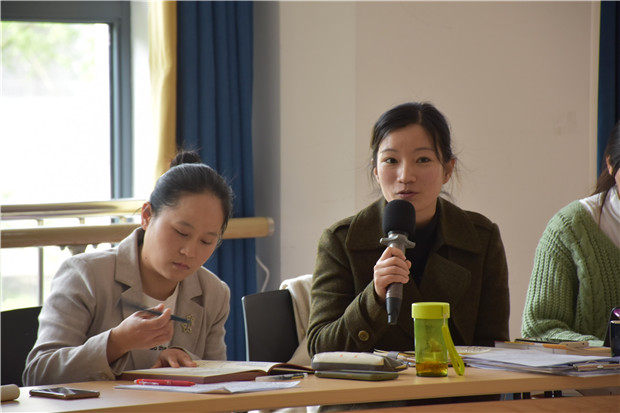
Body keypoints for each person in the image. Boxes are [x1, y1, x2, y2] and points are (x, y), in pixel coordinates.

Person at [307, 102, 510, 356]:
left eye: (423, 160)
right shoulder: (341, 241)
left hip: (456, 382)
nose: (405, 176)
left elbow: (494, 349)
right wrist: (375, 297)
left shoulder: (481, 238)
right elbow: (319, 349)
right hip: (376, 383)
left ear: (447, 169)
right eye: (391, 160)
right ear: (376, 171)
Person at [23, 151, 234, 386]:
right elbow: (39, 373)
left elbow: (219, 382)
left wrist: (184, 363)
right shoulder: (86, 275)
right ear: (147, 216)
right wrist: (116, 343)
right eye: (181, 232)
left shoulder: (213, 293)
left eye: (206, 241)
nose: (190, 251)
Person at [521, 121, 620, 342]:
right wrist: (609, 349)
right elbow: (539, 329)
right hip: (597, 366)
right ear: (611, 164)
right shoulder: (570, 229)